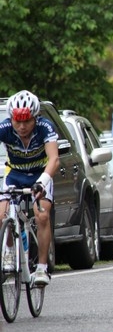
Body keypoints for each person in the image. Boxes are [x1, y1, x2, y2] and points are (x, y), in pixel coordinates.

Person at [0, 90, 59, 286]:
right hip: (15, 174)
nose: (22, 126)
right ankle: (9, 253)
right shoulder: (4, 128)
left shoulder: (45, 127)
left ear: (35, 118)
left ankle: (42, 267)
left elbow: (54, 159)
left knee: (42, 215)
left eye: (27, 121)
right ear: (11, 118)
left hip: (39, 174)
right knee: (1, 216)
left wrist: (42, 182)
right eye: (17, 121)